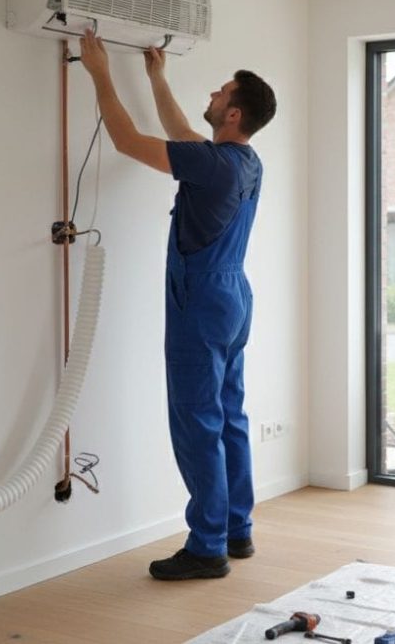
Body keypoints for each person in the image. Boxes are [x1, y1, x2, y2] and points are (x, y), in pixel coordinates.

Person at [78, 30, 276, 581]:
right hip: (233, 297)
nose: (211, 93)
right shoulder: (241, 159)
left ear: (233, 113)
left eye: (220, 91)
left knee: (197, 421)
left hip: (203, 300)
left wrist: (99, 72)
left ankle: (207, 546)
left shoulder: (215, 165)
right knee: (229, 415)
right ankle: (237, 530)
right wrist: (157, 77)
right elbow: (183, 135)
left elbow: (123, 139)